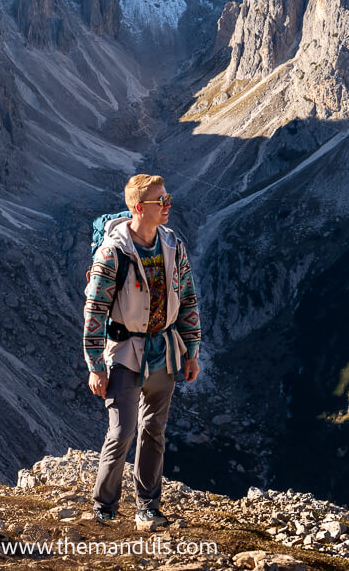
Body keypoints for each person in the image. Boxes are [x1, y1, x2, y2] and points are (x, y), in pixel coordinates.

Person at [83, 173, 201, 530]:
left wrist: (192, 350)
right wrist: (95, 365)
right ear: (138, 207)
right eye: (160, 201)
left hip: (163, 349)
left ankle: (148, 507)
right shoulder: (113, 251)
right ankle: (104, 505)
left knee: (155, 430)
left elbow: (188, 298)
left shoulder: (172, 244)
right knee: (122, 431)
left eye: (167, 198)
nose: (168, 206)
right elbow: (94, 312)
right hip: (123, 351)